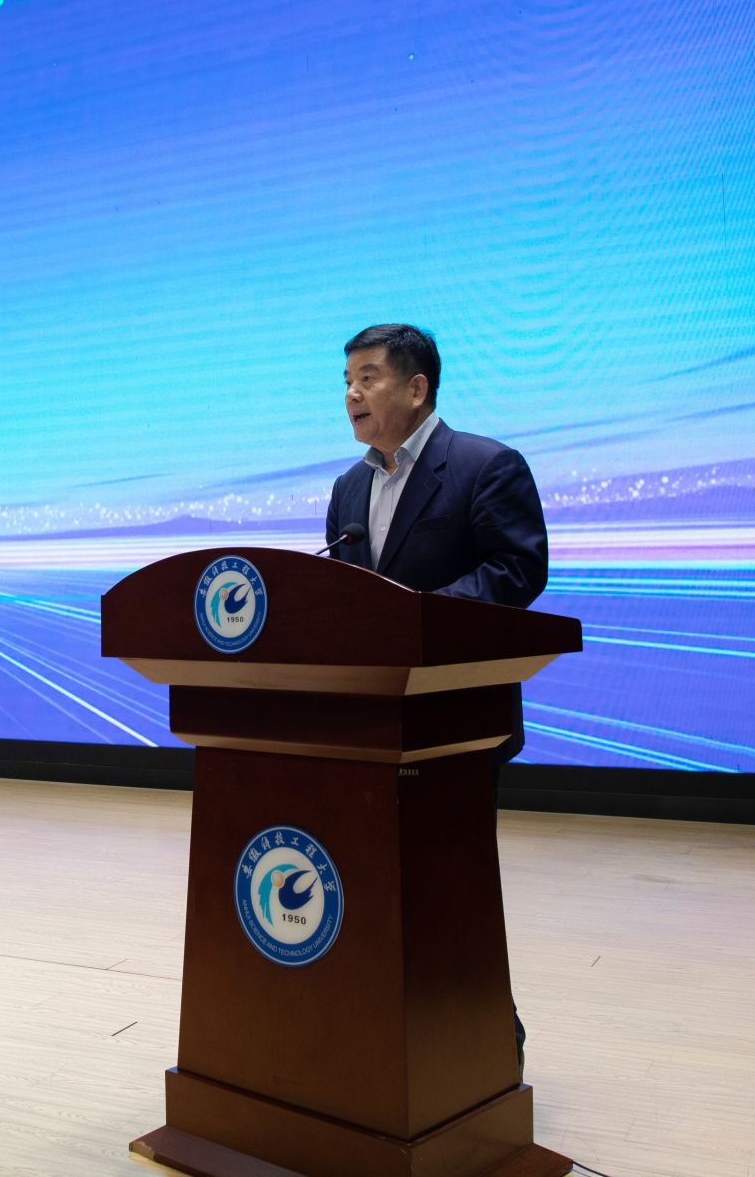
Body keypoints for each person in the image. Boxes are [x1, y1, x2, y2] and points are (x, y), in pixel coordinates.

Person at [323, 322, 547, 1063]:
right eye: (346, 380)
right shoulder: (348, 487)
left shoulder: (485, 465)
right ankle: (385, 1037)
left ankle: (485, 1044)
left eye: (369, 377)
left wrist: (414, 618)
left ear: (417, 388)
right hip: (369, 724)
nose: (352, 393)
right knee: (374, 886)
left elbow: (516, 571)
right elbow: (344, 597)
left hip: (456, 721)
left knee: (453, 885)